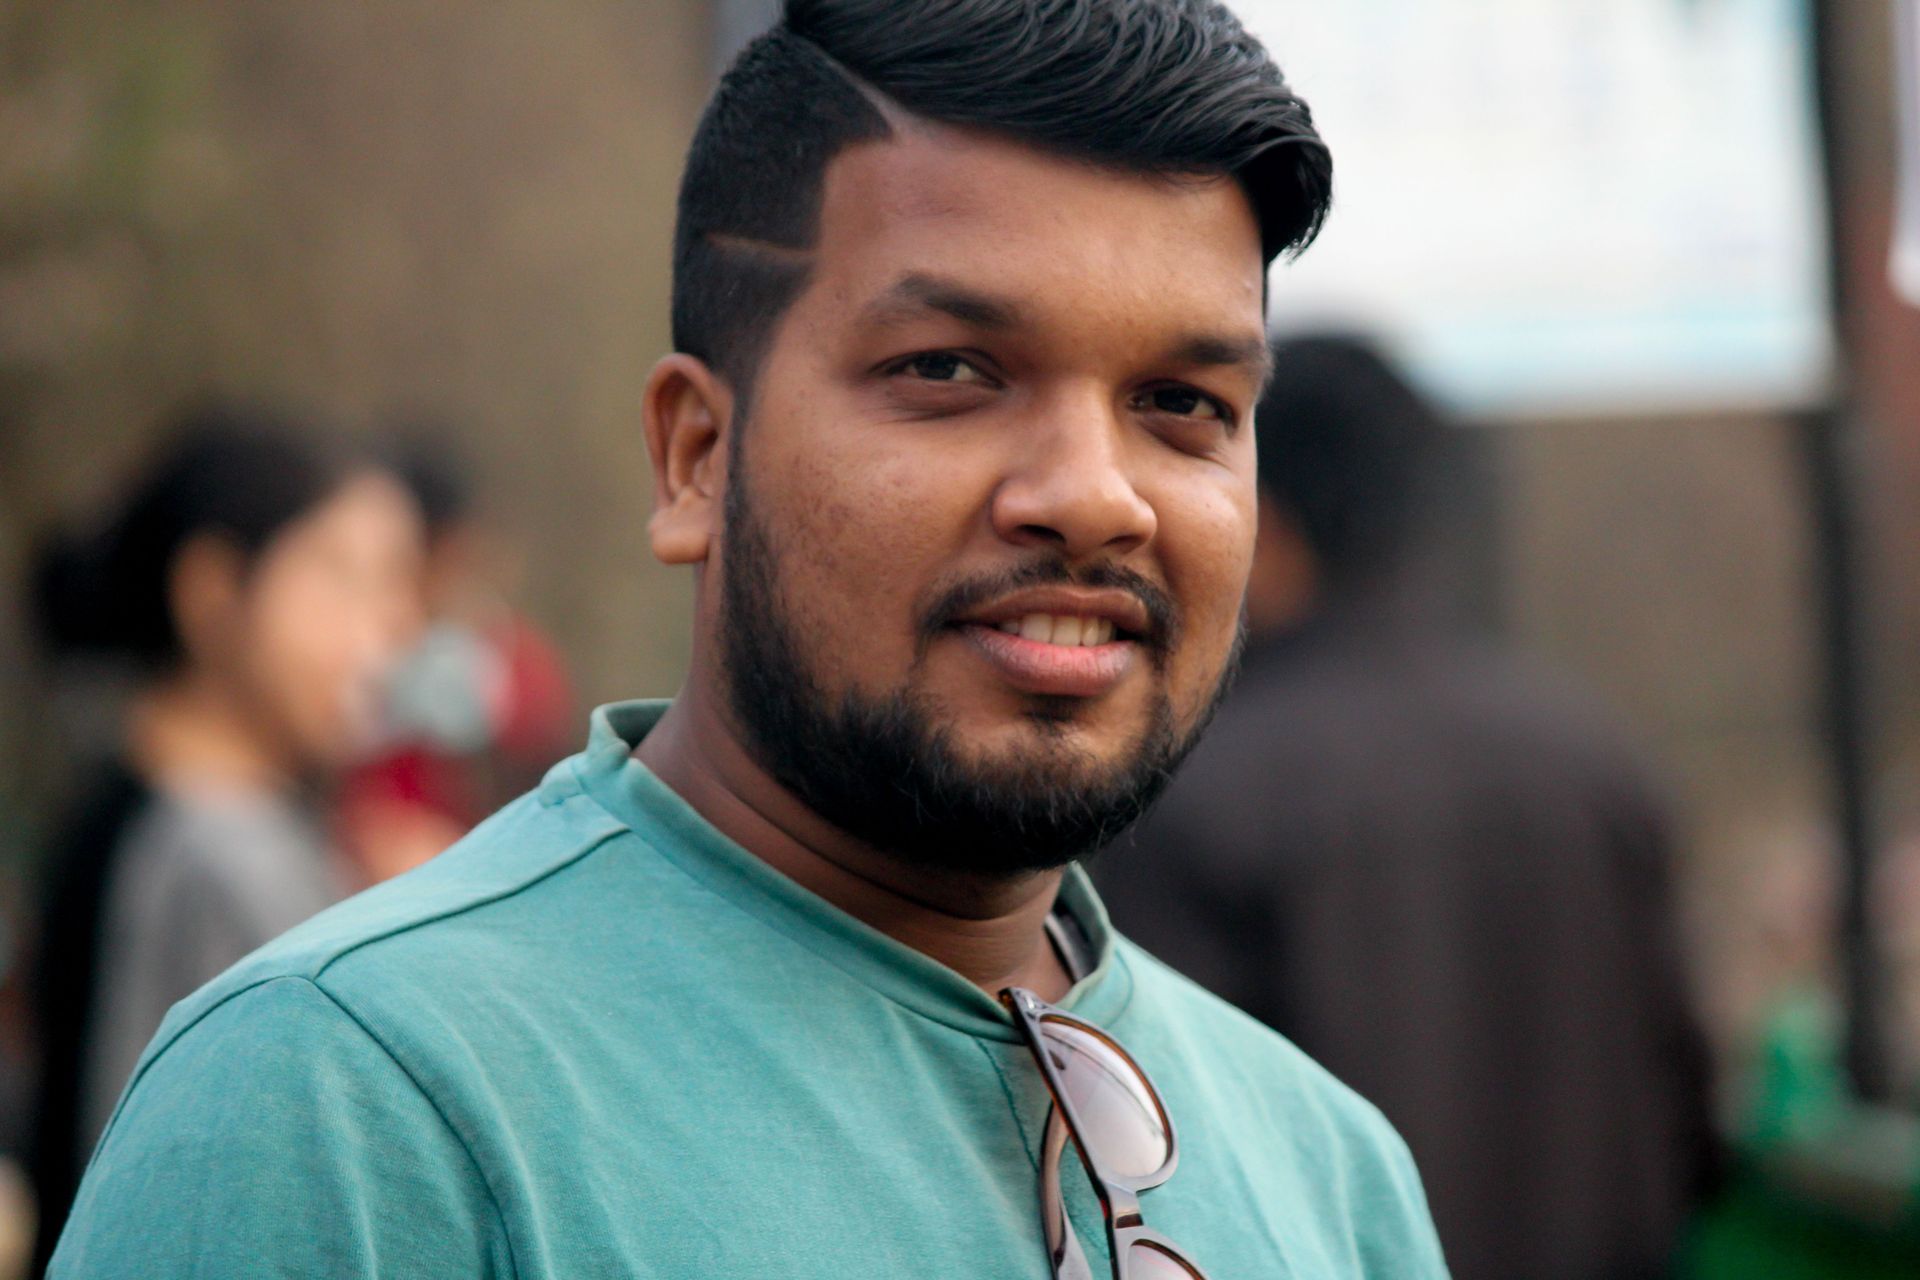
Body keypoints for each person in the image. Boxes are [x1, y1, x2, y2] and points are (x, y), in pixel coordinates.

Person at [50, 5, 1448, 1277]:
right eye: (948, 372)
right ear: (696, 457)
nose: (1092, 493)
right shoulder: (355, 1103)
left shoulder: (1332, 1178)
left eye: (1186, 402)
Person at [1097, 335, 1720, 1280]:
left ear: (1267, 518)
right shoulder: (1591, 757)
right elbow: (1688, 1107)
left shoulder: (1188, 797)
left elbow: (1156, 1154)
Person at [26, 407, 423, 1271]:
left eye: (396, 588)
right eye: (341, 577)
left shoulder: (144, 813)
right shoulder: (213, 853)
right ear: (212, 590)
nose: (387, 632)